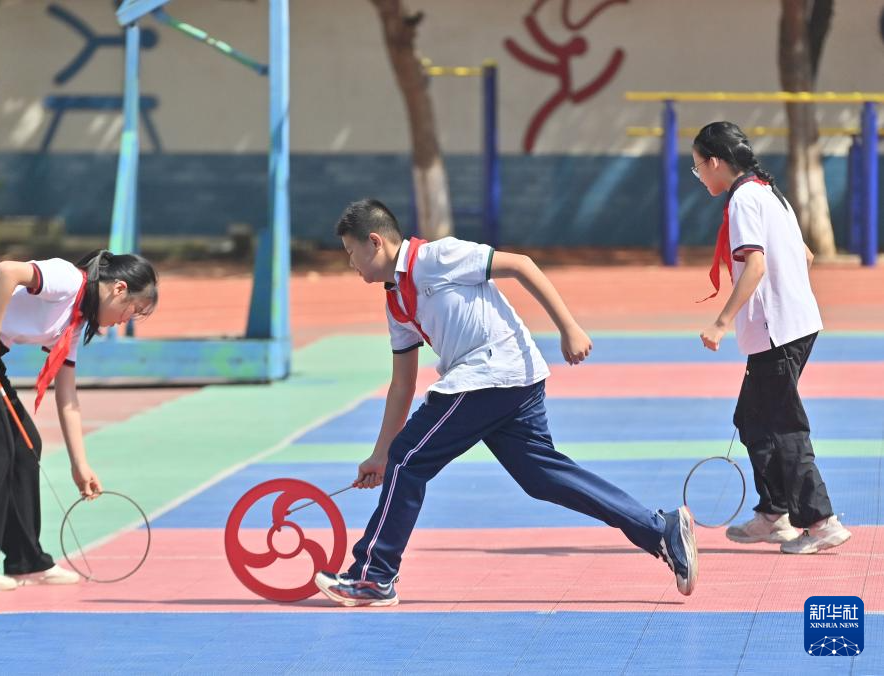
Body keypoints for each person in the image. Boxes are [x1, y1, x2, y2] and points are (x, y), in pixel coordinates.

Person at [314, 198, 698, 607]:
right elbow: (402, 383)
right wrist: (379, 455)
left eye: (350, 252)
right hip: (507, 379)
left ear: (374, 242)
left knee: (409, 460)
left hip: (493, 371)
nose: (350, 263)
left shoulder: (438, 257)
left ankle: (375, 576)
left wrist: (569, 328)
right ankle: (661, 530)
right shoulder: (396, 301)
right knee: (541, 477)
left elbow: (522, 265)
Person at [0, 250, 158, 590]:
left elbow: (67, 397)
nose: (127, 319)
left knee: (25, 446)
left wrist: (80, 465)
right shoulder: (67, 279)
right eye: (133, 310)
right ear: (119, 288)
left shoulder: (76, 323)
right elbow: (7, 271)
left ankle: (26, 560)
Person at [691, 121, 851, 555]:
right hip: (794, 325)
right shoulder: (768, 192)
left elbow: (756, 266)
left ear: (716, 162)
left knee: (783, 427)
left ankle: (821, 521)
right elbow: (806, 255)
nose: (700, 175)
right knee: (752, 419)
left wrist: (722, 323)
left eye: (698, 167)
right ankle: (774, 513)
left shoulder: (744, 199)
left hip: (779, 332)